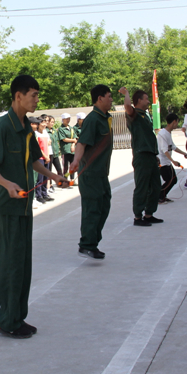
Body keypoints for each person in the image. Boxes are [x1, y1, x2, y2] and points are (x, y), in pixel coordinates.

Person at [0, 75, 67, 338]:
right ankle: (6, 321)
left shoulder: (26, 128)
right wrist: (7, 184)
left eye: (37, 94)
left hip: (24, 204)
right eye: (33, 94)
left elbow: (34, 162)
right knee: (11, 263)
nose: (37, 99)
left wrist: (54, 176)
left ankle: (17, 317)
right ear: (18, 96)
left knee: (23, 263)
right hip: (8, 206)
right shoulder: (3, 127)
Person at [72, 85, 115, 257]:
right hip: (90, 173)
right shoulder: (93, 119)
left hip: (101, 172)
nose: (111, 100)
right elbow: (82, 143)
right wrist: (75, 161)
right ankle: (87, 244)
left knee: (104, 205)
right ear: (99, 98)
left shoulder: (105, 118)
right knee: (93, 208)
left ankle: (92, 242)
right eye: (109, 96)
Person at [121, 87, 163, 226]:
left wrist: (154, 153)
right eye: (146, 98)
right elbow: (127, 106)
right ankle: (138, 217)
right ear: (139, 100)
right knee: (142, 186)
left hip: (150, 155)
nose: (149, 101)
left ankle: (149, 214)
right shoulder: (135, 115)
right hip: (141, 155)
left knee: (156, 185)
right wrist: (126, 93)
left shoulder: (145, 115)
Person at [157, 113, 187, 203]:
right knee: (169, 180)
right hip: (162, 162)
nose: (177, 124)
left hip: (167, 161)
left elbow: (173, 147)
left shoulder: (168, 133)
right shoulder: (163, 134)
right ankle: (159, 197)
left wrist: (184, 153)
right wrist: (173, 161)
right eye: (177, 122)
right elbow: (165, 150)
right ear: (174, 122)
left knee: (173, 180)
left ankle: (162, 196)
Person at [34, 117, 52, 205]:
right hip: (40, 158)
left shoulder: (45, 133)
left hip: (46, 157)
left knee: (45, 177)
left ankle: (45, 193)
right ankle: (39, 195)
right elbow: (38, 148)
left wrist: (48, 156)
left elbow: (47, 146)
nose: (44, 124)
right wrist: (45, 156)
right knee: (39, 178)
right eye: (42, 123)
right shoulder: (35, 134)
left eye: (45, 123)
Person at [57, 113, 78, 183]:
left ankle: (72, 179)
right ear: (62, 119)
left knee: (73, 165)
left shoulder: (71, 128)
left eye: (69, 119)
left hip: (72, 150)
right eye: (66, 119)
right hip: (65, 150)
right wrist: (73, 140)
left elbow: (75, 137)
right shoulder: (61, 129)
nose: (68, 120)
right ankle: (65, 179)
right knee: (65, 166)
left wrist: (72, 145)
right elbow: (64, 139)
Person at [47, 116, 63, 192]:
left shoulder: (54, 131)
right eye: (51, 122)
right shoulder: (45, 131)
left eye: (53, 122)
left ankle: (61, 182)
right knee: (49, 170)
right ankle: (49, 185)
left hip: (56, 153)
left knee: (59, 169)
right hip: (50, 153)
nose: (52, 123)